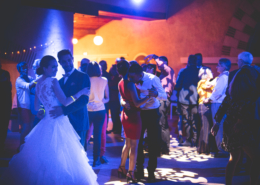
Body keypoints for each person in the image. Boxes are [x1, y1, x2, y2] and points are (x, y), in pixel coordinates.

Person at [0, 55, 98, 185]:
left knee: (43, 154)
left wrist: (42, 110)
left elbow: (36, 107)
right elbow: (65, 101)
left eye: (56, 66)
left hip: (46, 121)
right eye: (53, 67)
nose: (56, 69)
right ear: (45, 68)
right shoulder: (53, 81)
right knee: (61, 154)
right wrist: (80, 93)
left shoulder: (38, 82)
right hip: (58, 121)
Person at [212, 52, 260, 185]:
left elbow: (226, 101)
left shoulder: (234, 76)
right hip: (241, 123)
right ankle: (253, 182)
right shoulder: (254, 76)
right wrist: (241, 121)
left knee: (234, 158)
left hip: (231, 122)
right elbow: (249, 102)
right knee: (255, 158)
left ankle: (229, 183)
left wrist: (217, 122)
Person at [39, 49, 91, 147]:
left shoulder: (83, 76)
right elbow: (52, 99)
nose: (67, 63)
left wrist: (64, 110)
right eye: (64, 61)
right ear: (60, 63)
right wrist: (42, 109)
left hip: (78, 121)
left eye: (69, 60)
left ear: (72, 59)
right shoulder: (59, 81)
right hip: (62, 123)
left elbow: (84, 100)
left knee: (79, 155)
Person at [128, 63, 167, 182]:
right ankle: (139, 170)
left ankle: (151, 171)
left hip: (152, 113)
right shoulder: (130, 81)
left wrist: (156, 94)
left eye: (133, 78)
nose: (131, 80)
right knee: (137, 143)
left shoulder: (153, 79)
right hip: (138, 113)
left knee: (153, 142)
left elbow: (164, 96)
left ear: (140, 75)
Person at [117, 59, 151, 183]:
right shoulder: (130, 83)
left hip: (125, 115)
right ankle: (131, 173)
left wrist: (124, 102)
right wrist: (149, 96)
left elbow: (122, 98)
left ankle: (121, 167)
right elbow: (136, 103)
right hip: (134, 116)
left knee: (127, 144)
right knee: (135, 146)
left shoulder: (120, 82)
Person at [205, 58, 231, 157]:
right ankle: (222, 148)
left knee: (218, 125)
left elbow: (218, 92)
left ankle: (222, 150)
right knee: (220, 126)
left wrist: (209, 99)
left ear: (224, 66)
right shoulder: (222, 76)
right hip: (220, 103)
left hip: (218, 103)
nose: (216, 67)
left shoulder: (224, 77)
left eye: (219, 65)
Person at [85, 61, 109, 167]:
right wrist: (99, 101)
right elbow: (107, 98)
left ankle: (83, 158)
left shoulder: (86, 80)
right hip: (100, 110)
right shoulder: (104, 80)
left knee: (85, 135)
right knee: (98, 135)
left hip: (88, 110)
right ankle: (96, 159)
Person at [175, 55, 200, 147]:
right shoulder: (199, 72)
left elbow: (178, 86)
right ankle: (196, 140)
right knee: (195, 120)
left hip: (184, 100)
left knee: (186, 120)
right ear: (196, 62)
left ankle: (188, 140)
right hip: (195, 100)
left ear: (188, 62)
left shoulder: (184, 71)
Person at [155, 55, 176, 154]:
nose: (157, 65)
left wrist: (155, 57)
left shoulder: (169, 71)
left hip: (163, 100)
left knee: (162, 124)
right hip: (162, 100)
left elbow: (162, 65)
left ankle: (164, 148)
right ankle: (162, 147)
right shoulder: (163, 74)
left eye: (159, 63)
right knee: (162, 124)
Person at [15, 62, 39, 148]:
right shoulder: (19, 80)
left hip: (31, 106)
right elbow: (29, 86)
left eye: (26, 67)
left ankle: (26, 146)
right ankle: (21, 147)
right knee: (26, 126)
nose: (25, 69)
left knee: (30, 125)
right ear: (19, 70)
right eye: (23, 68)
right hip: (24, 106)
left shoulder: (29, 78)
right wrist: (41, 78)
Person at [197, 67, 217, 154]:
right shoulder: (202, 82)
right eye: (210, 71)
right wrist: (214, 82)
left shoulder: (212, 82)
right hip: (203, 106)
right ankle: (204, 149)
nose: (212, 73)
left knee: (208, 128)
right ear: (206, 74)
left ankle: (205, 149)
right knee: (205, 128)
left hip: (208, 105)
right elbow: (206, 88)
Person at [0, 61, 12, 151]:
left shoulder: (5, 73)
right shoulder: (5, 74)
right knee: (3, 124)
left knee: (3, 124)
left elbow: (8, 86)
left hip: (5, 103)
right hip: (5, 103)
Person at [108, 62, 122, 134]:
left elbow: (114, 86)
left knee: (115, 115)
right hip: (113, 99)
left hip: (115, 99)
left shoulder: (117, 77)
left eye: (111, 69)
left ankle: (118, 129)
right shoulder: (113, 77)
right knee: (114, 115)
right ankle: (115, 128)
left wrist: (107, 84)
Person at [99, 60, 111, 133]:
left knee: (102, 129)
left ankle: (105, 128)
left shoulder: (106, 76)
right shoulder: (90, 79)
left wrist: (106, 100)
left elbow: (107, 96)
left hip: (103, 101)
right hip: (97, 103)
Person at [30, 59, 41, 127]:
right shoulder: (35, 79)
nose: (33, 69)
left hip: (39, 111)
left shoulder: (41, 79)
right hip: (34, 111)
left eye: (35, 67)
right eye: (33, 66)